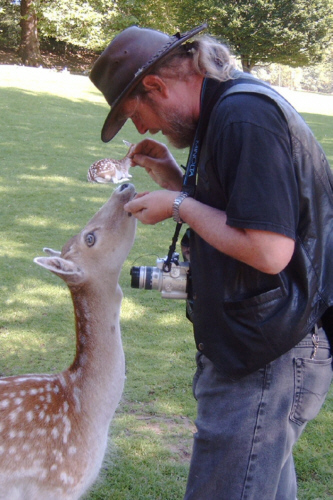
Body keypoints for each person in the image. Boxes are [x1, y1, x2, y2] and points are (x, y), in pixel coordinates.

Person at [90, 24, 333, 500]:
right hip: (264, 343)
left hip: (269, 356)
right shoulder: (227, 109)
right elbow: (243, 213)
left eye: (136, 114)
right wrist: (173, 177)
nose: (144, 129)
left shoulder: (243, 117)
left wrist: (178, 206)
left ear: (157, 85)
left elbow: (269, 250)